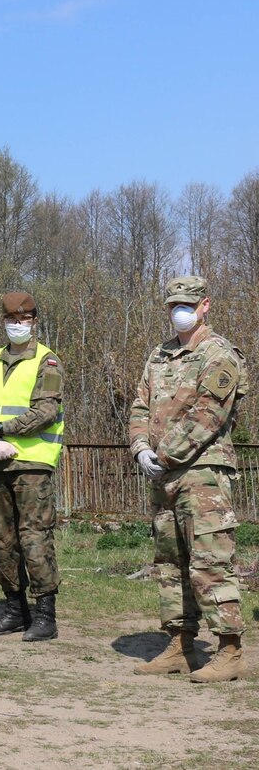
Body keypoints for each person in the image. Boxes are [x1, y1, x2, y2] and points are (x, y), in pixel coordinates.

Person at [129, 275, 248, 682]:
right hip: (163, 475)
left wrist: (163, 454)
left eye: (187, 303)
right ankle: (180, 645)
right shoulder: (159, 355)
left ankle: (229, 650)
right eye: (173, 304)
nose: (179, 311)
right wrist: (140, 448)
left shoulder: (220, 354)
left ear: (205, 305)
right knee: (171, 563)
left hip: (203, 475)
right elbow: (139, 405)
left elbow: (208, 414)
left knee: (211, 561)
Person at [0, 292, 65, 642]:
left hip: (32, 464)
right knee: (1, 541)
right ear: (3, 321)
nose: (17, 325)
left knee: (34, 538)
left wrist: (0, 429)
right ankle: (15, 610)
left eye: (24, 319)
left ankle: (45, 614)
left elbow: (45, 412)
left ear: (34, 321)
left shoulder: (47, 361)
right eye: (11, 319)